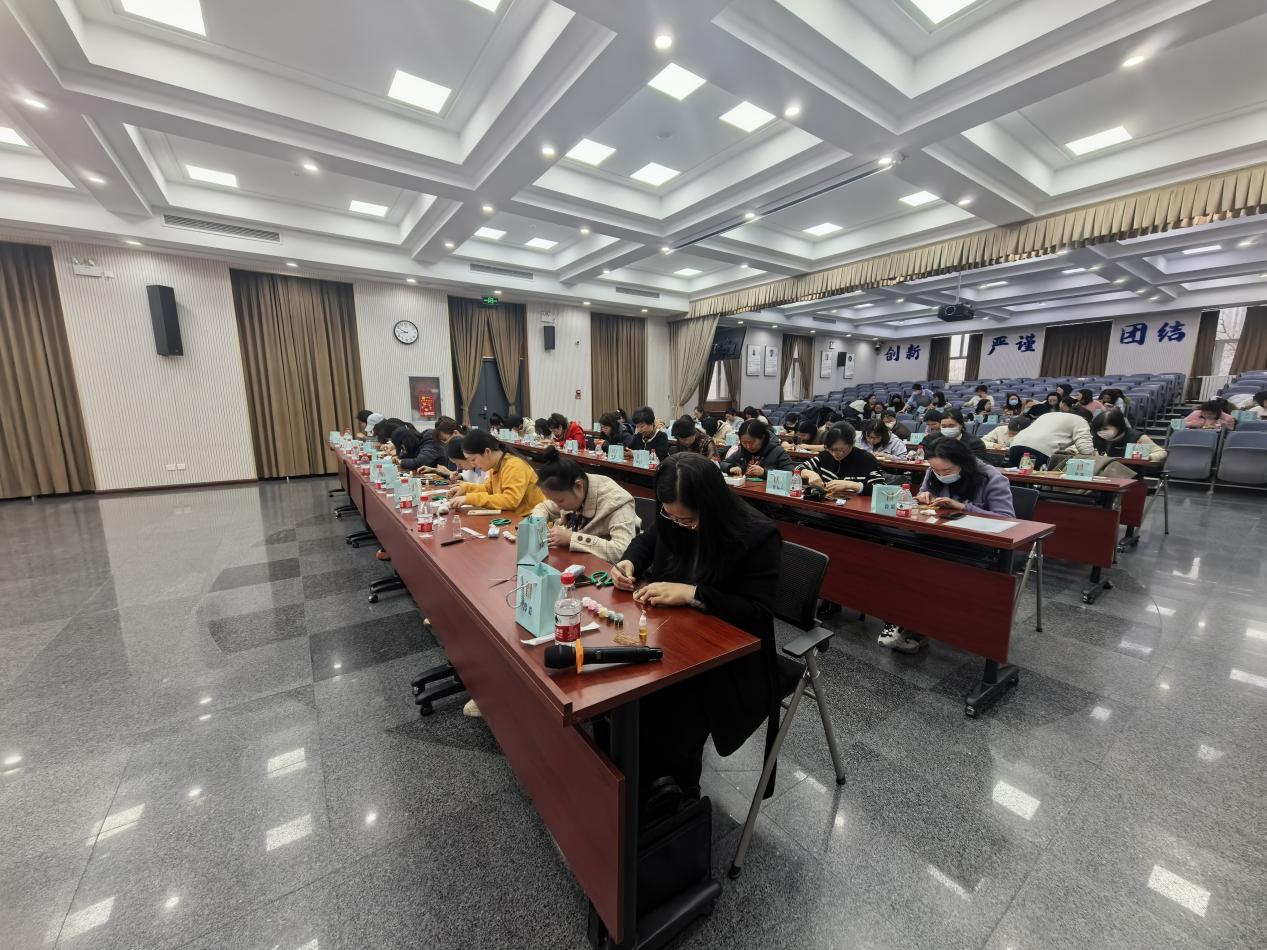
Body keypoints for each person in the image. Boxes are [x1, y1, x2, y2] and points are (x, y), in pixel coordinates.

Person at [608, 453, 781, 797]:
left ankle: (677, 795)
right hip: (677, 636)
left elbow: (758, 613)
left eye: (687, 520)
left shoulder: (757, 534)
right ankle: (627, 783)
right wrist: (629, 561)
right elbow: (649, 540)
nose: (678, 525)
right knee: (623, 685)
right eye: (670, 516)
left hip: (730, 655)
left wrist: (694, 593)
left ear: (711, 506)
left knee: (667, 706)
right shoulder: (674, 517)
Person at [879, 440, 1016, 654]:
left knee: (932, 568)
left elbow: (1007, 519)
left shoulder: (991, 477)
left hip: (974, 544)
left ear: (964, 463)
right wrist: (923, 497)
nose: (941, 475)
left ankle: (917, 625)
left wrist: (962, 507)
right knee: (898, 553)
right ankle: (902, 619)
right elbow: (924, 496)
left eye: (948, 471)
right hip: (935, 535)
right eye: (936, 471)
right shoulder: (933, 471)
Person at [529, 447, 639, 563]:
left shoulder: (616, 502)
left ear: (578, 486)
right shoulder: (571, 485)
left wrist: (571, 538)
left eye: (560, 501)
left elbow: (623, 551)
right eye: (554, 501)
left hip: (604, 568)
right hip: (577, 560)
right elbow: (544, 507)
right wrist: (537, 524)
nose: (558, 507)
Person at [449, 429, 544, 516]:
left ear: (487, 452)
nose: (473, 464)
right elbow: (489, 489)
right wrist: (465, 489)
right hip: (515, 517)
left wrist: (469, 499)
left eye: (473, 459)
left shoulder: (514, 465)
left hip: (531, 520)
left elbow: (510, 500)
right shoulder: (495, 466)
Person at [799, 423, 885, 496]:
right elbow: (798, 468)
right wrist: (810, 474)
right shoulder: (825, 455)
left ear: (852, 443)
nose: (834, 454)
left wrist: (852, 485)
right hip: (828, 506)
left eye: (840, 450)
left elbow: (882, 490)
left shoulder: (866, 460)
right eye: (831, 449)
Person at [1008, 408, 1094, 468]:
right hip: (1039, 450)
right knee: (1036, 481)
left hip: (1016, 444)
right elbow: (1085, 449)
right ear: (1086, 419)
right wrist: (1094, 457)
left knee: (1016, 480)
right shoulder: (1081, 420)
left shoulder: (1048, 415)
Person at [726, 420, 795, 478]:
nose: (748, 446)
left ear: (762, 437)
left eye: (751, 442)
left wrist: (764, 473)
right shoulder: (742, 451)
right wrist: (730, 468)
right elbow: (724, 463)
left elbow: (791, 473)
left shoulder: (777, 451)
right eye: (744, 442)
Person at [1093, 409, 1167, 462]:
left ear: (1118, 426)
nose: (1101, 432)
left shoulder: (1136, 437)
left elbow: (1162, 452)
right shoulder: (1096, 437)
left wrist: (1149, 457)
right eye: (1098, 429)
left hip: (1130, 475)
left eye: (1105, 429)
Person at [395, 417, 461, 474]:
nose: (444, 443)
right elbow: (453, 473)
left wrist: (400, 461)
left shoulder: (462, 449)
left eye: (445, 439)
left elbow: (458, 475)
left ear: (455, 433)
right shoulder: (452, 448)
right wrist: (434, 470)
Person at [923, 408, 989, 462]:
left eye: (951, 426)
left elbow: (978, 464)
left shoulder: (975, 443)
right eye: (944, 426)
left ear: (961, 425)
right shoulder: (930, 439)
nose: (947, 429)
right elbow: (924, 457)